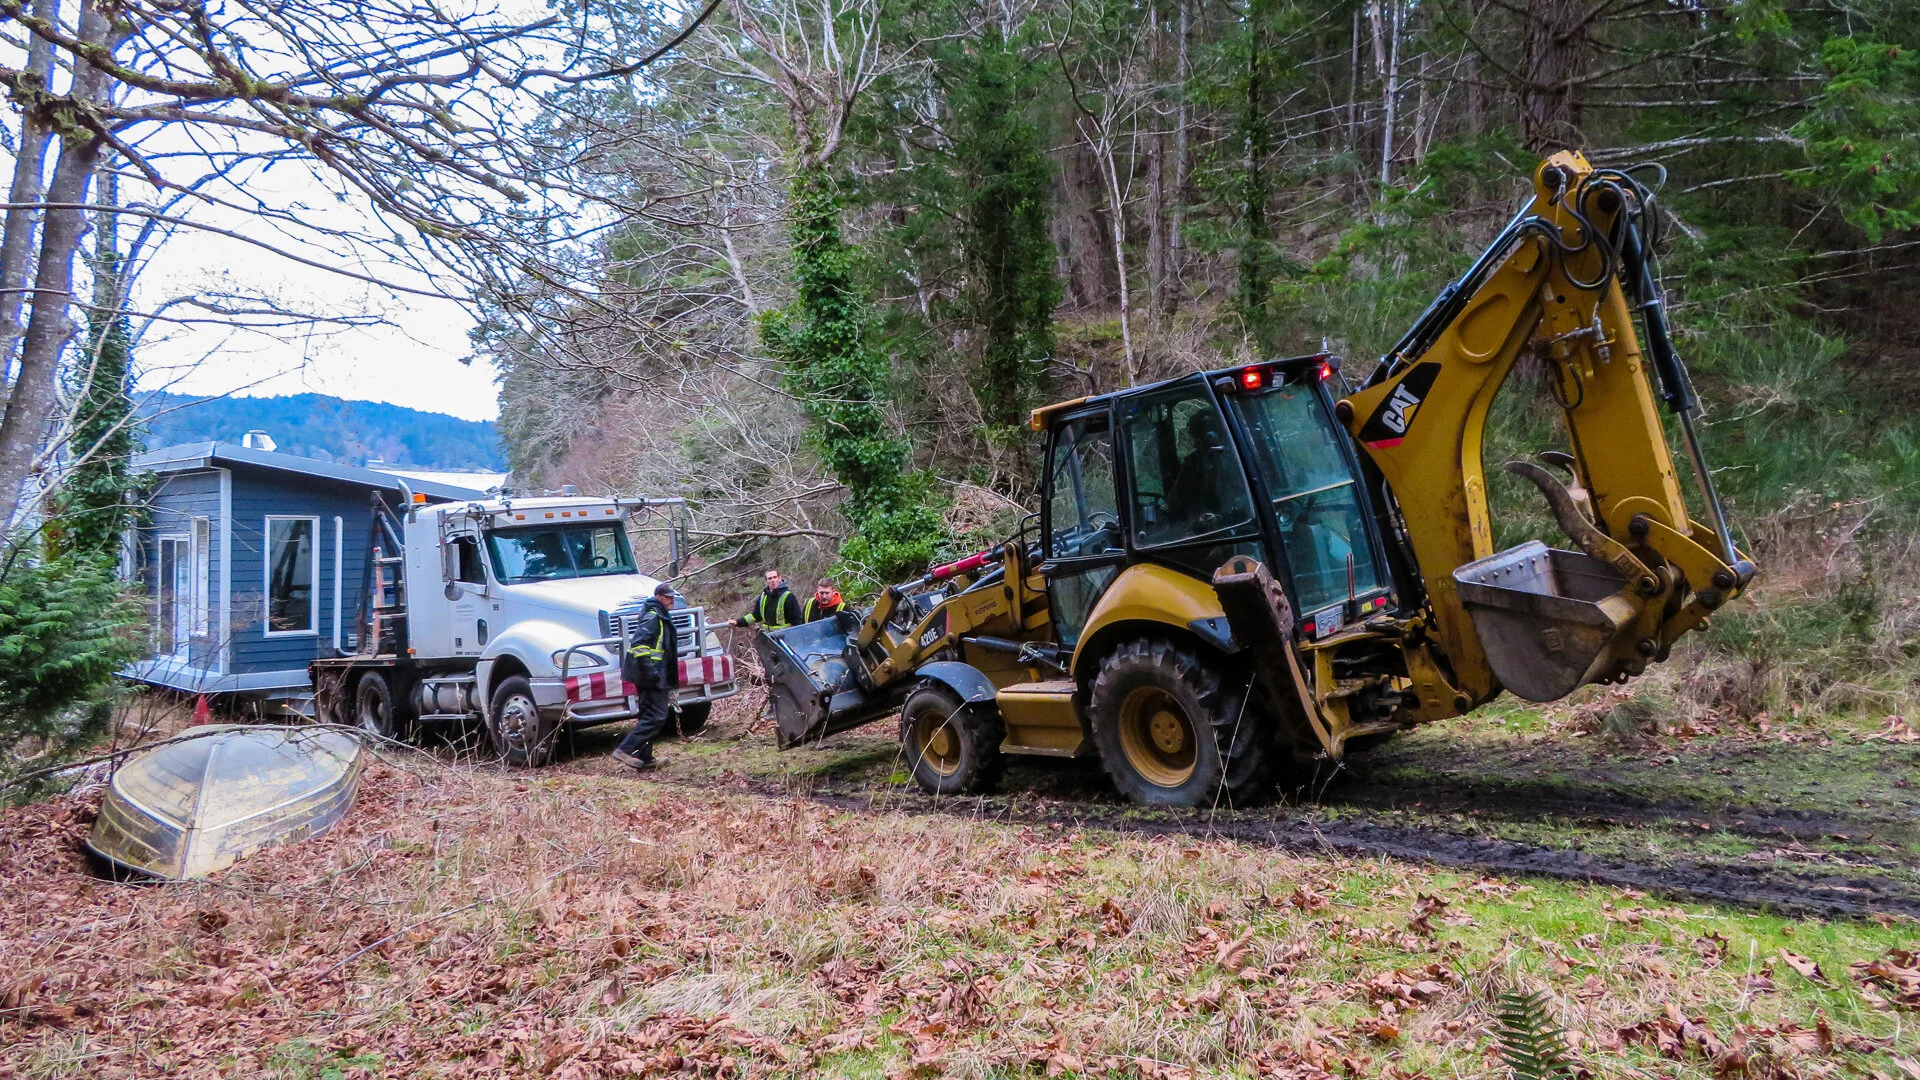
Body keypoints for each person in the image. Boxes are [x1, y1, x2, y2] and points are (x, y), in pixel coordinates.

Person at [612, 582, 680, 771]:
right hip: (651, 676)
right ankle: (625, 749)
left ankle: (646, 758)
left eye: (672, 597)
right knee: (657, 717)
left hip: (651, 674)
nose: (671, 600)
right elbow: (639, 645)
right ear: (659, 598)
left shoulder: (658, 615)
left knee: (648, 715)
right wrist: (653, 673)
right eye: (668, 597)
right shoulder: (653, 617)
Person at [732, 567, 803, 630]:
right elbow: (756, 616)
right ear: (766, 581)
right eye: (770, 578)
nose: (773, 580)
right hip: (768, 638)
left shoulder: (789, 597)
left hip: (784, 638)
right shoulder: (763, 596)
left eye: (775, 577)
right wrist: (738, 622)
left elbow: (797, 621)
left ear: (779, 578)